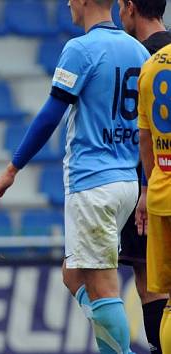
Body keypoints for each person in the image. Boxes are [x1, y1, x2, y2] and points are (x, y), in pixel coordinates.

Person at [0, 0, 150, 352]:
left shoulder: (80, 49)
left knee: (103, 288)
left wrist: (13, 167)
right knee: (73, 274)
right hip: (126, 181)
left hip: (93, 181)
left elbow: (49, 117)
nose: (69, 3)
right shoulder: (138, 50)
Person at [118, 0, 171, 352]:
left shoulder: (140, 59)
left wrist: (144, 187)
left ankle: (158, 345)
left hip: (151, 185)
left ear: (130, 7)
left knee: (150, 280)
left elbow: (142, 136)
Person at [136, 41, 171, 354]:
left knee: (168, 301)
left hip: (161, 192)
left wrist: (151, 184)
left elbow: (144, 139)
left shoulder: (151, 67)